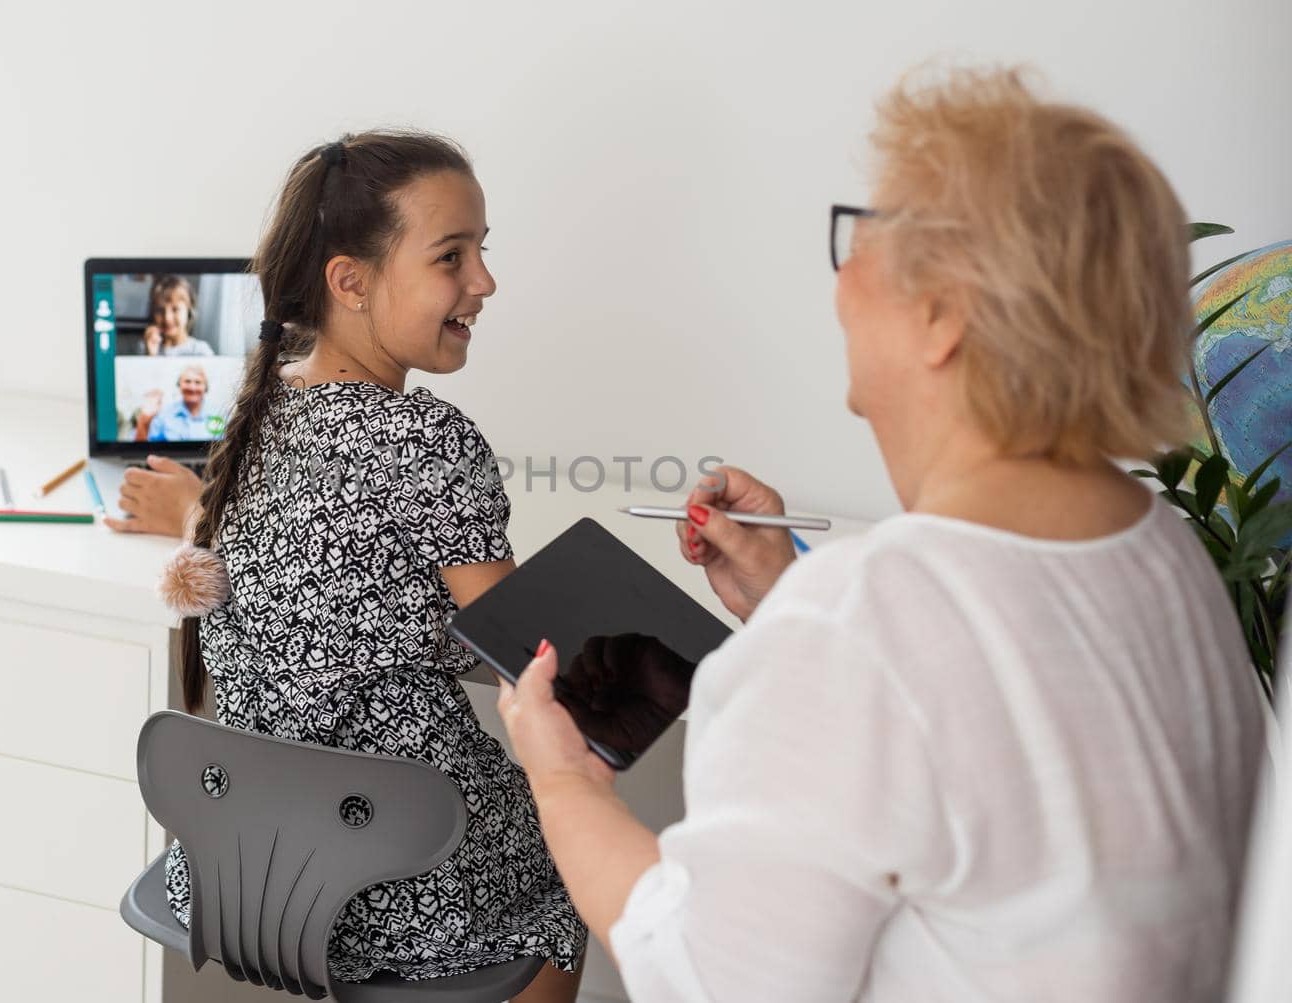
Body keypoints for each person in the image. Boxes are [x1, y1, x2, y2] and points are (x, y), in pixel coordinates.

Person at [497, 66, 1266, 1001]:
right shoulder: (1164, 551)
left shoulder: (856, 625)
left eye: (864, 231)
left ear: (943, 311)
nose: (842, 270)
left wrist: (562, 781)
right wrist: (790, 592)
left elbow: (711, 979)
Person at [156, 132, 585, 1000]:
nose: (485, 282)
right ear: (349, 281)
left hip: (248, 868)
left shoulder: (263, 407)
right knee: (567, 876)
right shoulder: (430, 440)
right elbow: (533, 667)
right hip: (404, 882)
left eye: (482, 252)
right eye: (450, 258)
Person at [134, 364, 217, 441]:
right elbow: (143, 448)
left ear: (205, 387)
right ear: (179, 385)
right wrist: (144, 419)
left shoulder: (219, 414)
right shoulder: (163, 415)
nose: (192, 387)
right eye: (187, 381)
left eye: (198, 382)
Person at [143, 274, 216, 356]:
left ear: (189, 310)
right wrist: (150, 355)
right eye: (160, 310)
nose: (167, 318)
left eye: (175, 309)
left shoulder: (200, 350)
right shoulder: (146, 347)